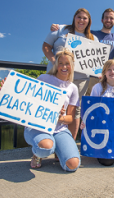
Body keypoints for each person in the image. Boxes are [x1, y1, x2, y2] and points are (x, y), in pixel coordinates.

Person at [8, 49, 80, 171]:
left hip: (59, 129)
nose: (64, 66)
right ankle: (37, 153)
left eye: (67, 63)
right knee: (45, 148)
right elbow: (27, 98)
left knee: (72, 165)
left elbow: (70, 118)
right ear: (56, 65)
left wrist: (58, 117)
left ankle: (59, 148)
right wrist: (7, 88)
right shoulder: (43, 78)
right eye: (61, 63)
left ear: (72, 65)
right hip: (38, 127)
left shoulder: (73, 88)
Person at [43, 8, 99, 140]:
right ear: (74, 18)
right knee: (52, 106)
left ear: (89, 21)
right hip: (57, 77)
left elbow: (96, 60)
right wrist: (55, 61)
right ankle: (48, 139)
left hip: (80, 79)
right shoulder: (60, 29)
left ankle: (69, 143)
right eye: (79, 17)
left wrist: (98, 71)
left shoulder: (93, 38)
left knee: (74, 110)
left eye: (85, 18)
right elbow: (46, 46)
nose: (81, 20)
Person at [50, 8, 114, 100]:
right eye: (106, 18)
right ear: (102, 20)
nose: (108, 20)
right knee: (84, 102)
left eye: (111, 18)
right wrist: (59, 27)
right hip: (89, 76)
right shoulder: (91, 34)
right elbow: (78, 27)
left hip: (106, 76)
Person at [80, 59, 114, 166]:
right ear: (104, 73)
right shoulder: (97, 88)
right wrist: (85, 121)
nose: (112, 72)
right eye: (109, 70)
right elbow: (90, 109)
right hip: (103, 130)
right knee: (107, 161)